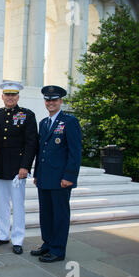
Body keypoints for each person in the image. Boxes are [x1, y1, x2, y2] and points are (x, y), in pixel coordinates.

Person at [31, 85, 82, 263]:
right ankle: (48, 243)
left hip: (60, 179)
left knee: (60, 215)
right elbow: (41, 151)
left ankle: (58, 250)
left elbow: (75, 152)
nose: (50, 103)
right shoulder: (44, 123)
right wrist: (36, 173)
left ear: (60, 101)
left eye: (54, 100)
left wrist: (69, 176)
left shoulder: (69, 121)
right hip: (44, 178)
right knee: (46, 213)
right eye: (47, 100)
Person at [0, 81, 38, 255]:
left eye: (13, 95)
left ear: (18, 97)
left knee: (17, 205)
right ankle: (3, 234)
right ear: (2, 97)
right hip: (0, 167)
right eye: (7, 95)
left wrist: (25, 166)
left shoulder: (27, 115)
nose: (10, 98)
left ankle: (17, 239)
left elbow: (31, 143)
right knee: (1, 204)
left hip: (18, 169)